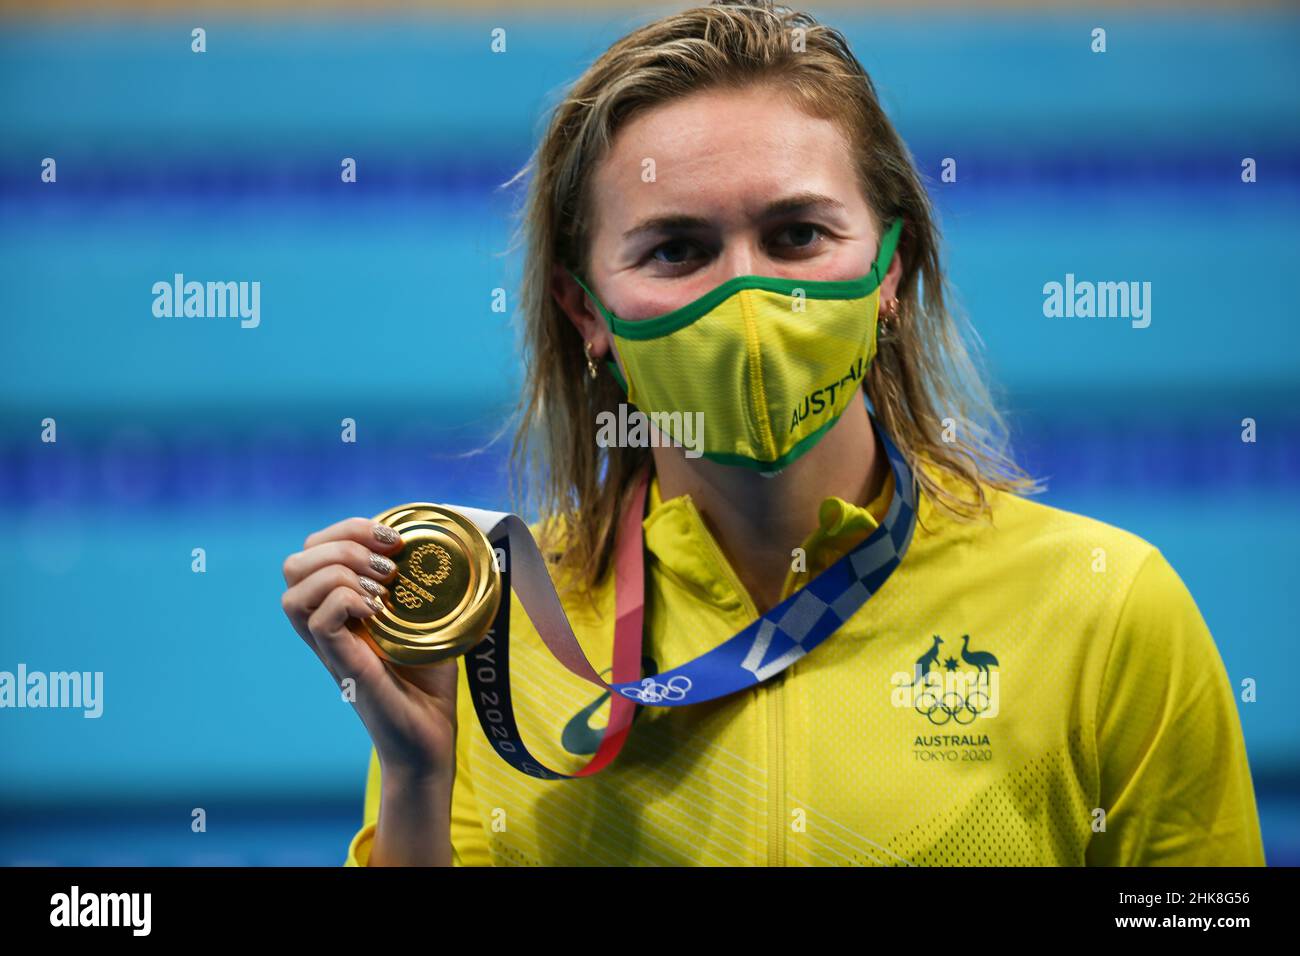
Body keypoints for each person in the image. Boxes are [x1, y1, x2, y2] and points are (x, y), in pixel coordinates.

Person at [279, 0, 1266, 866]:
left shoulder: (1102, 610)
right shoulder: (492, 637)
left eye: (797, 235)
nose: (747, 297)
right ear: (586, 312)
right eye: (678, 248)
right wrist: (414, 778)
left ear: (887, 271)